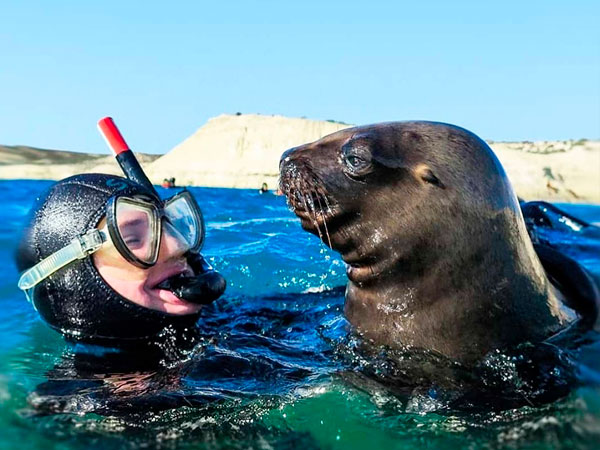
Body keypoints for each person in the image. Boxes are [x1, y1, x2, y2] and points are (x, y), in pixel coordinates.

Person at [15, 173, 226, 348]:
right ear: (76, 279)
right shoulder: (86, 397)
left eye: (170, 226)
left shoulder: (227, 316)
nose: (178, 246)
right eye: (133, 238)